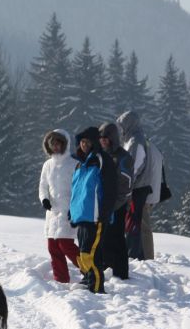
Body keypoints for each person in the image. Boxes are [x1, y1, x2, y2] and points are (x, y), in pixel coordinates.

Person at [70, 126, 117, 294]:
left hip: (96, 216)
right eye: (82, 142)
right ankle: (87, 279)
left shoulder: (102, 160)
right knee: (82, 254)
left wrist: (105, 212)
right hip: (82, 215)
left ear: (94, 143)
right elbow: (76, 191)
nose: (84, 145)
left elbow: (111, 189)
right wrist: (72, 211)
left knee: (92, 254)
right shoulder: (80, 164)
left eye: (87, 142)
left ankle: (96, 288)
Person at [38, 129, 80, 283]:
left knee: (66, 245)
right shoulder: (47, 165)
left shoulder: (75, 164)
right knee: (53, 247)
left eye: (58, 143)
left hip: (68, 210)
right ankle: (61, 279)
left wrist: (75, 210)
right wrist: (44, 199)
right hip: (52, 212)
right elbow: (43, 186)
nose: (55, 147)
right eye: (52, 144)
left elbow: (79, 189)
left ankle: (89, 270)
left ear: (65, 144)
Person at [97, 122, 133, 280]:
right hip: (103, 205)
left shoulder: (123, 157)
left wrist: (115, 205)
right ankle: (106, 266)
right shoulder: (101, 155)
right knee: (104, 238)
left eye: (106, 138)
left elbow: (126, 185)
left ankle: (121, 273)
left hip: (117, 206)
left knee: (117, 239)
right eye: (101, 138)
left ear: (112, 138)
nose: (103, 141)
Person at [117, 110, 154, 259]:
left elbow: (135, 166)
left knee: (136, 222)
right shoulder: (133, 139)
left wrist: (126, 184)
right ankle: (137, 253)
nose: (121, 129)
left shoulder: (136, 141)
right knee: (134, 221)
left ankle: (139, 255)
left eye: (122, 125)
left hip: (136, 188)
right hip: (135, 187)